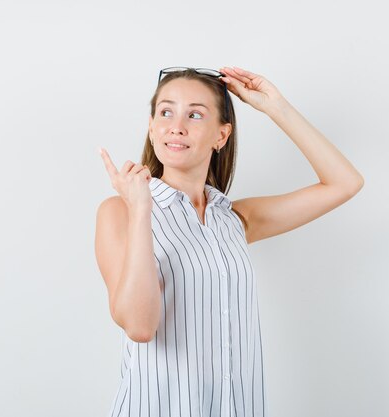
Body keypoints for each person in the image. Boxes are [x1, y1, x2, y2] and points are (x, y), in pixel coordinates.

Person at [95, 66, 364, 417]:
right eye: (165, 112)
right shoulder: (121, 212)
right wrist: (142, 205)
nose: (176, 125)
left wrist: (276, 107)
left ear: (221, 136)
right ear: (151, 126)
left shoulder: (234, 219)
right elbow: (140, 326)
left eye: (194, 114)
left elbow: (344, 183)